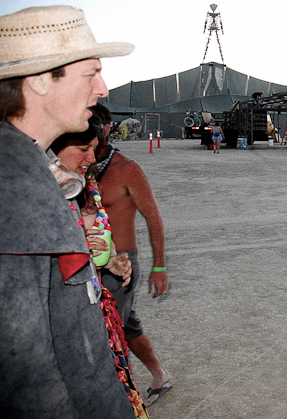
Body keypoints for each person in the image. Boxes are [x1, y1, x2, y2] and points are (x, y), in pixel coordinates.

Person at [0, 5, 134, 417]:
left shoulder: (35, 170)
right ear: (40, 81)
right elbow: (25, 371)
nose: (103, 87)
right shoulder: (13, 185)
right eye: (90, 73)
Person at [50, 123, 149, 418]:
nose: (92, 158)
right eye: (83, 149)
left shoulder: (87, 184)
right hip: (67, 328)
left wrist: (108, 261)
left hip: (98, 317)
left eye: (94, 148)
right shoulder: (37, 198)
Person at [90, 103, 172, 407]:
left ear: (106, 129)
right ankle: (159, 374)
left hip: (119, 266)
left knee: (108, 333)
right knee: (127, 324)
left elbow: (154, 218)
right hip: (86, 263)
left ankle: (118, 401)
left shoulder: (127, 170)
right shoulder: (74, 165)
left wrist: (159, 266)